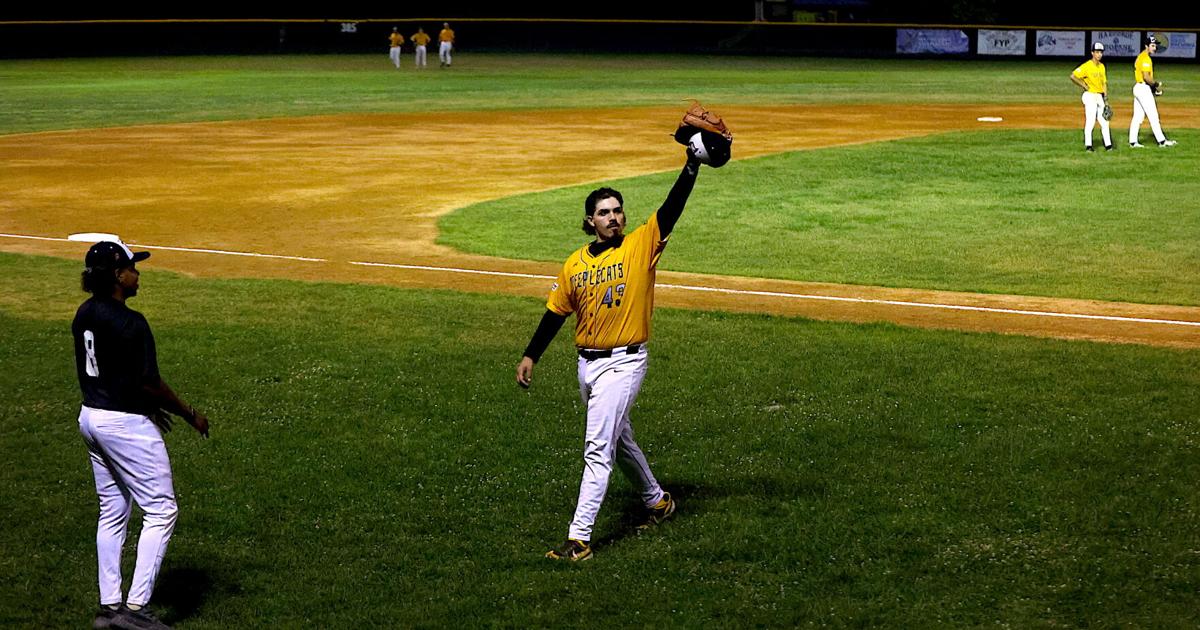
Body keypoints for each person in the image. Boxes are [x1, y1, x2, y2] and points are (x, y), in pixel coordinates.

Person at [516, 148, 703, 561]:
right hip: (587, 366)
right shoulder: (574, 265)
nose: (614, 217)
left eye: (618, 210)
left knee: (597, 448)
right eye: (604, 212)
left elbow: (671, 209)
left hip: (625, 362)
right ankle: (658, 502)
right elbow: (555, 314)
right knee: (619, 441)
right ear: (590, 221)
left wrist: (691, 166)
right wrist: (531, 355)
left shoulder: (639, 246)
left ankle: (578, 539)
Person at [73, 238, 210, 630]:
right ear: (118, 276)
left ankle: (109, 607)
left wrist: (139, 401)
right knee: (162, 510)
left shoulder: (85, 313)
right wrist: (188, 414)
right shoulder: (132, 323)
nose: (138, 273)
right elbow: (149, 382)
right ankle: (136, 611)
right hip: (125, 426)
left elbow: (107, 370)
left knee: (113, 510)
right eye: (133, 267)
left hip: (91, 417)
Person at [1129, 35, 1178, 148]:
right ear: (1146, 46)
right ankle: (1162, 141)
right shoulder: (1146, 58)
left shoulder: (1140, 56)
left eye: (1155, 45)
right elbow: (1146, 77)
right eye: (1152, 45)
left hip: (1138, 87)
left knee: (1138, 116)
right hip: (1143, 88)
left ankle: (1133, 142)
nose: (1154, 48)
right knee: (1153, 116)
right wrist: (1155, 85)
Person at [1070, 42, 1113, 152]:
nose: (1099, 55)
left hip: (1099, 96)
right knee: (1090, 121)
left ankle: (1108, 146)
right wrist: (1084, 85)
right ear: (1092, 53)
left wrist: (1106, 99)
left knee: (1104, 121)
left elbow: (1104, 84)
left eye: (1101, 52)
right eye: (1097, 52)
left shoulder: (1102, 66)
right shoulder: (1087, 66)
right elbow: (1073, 76)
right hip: (1089, 96)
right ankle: (1088, 146)